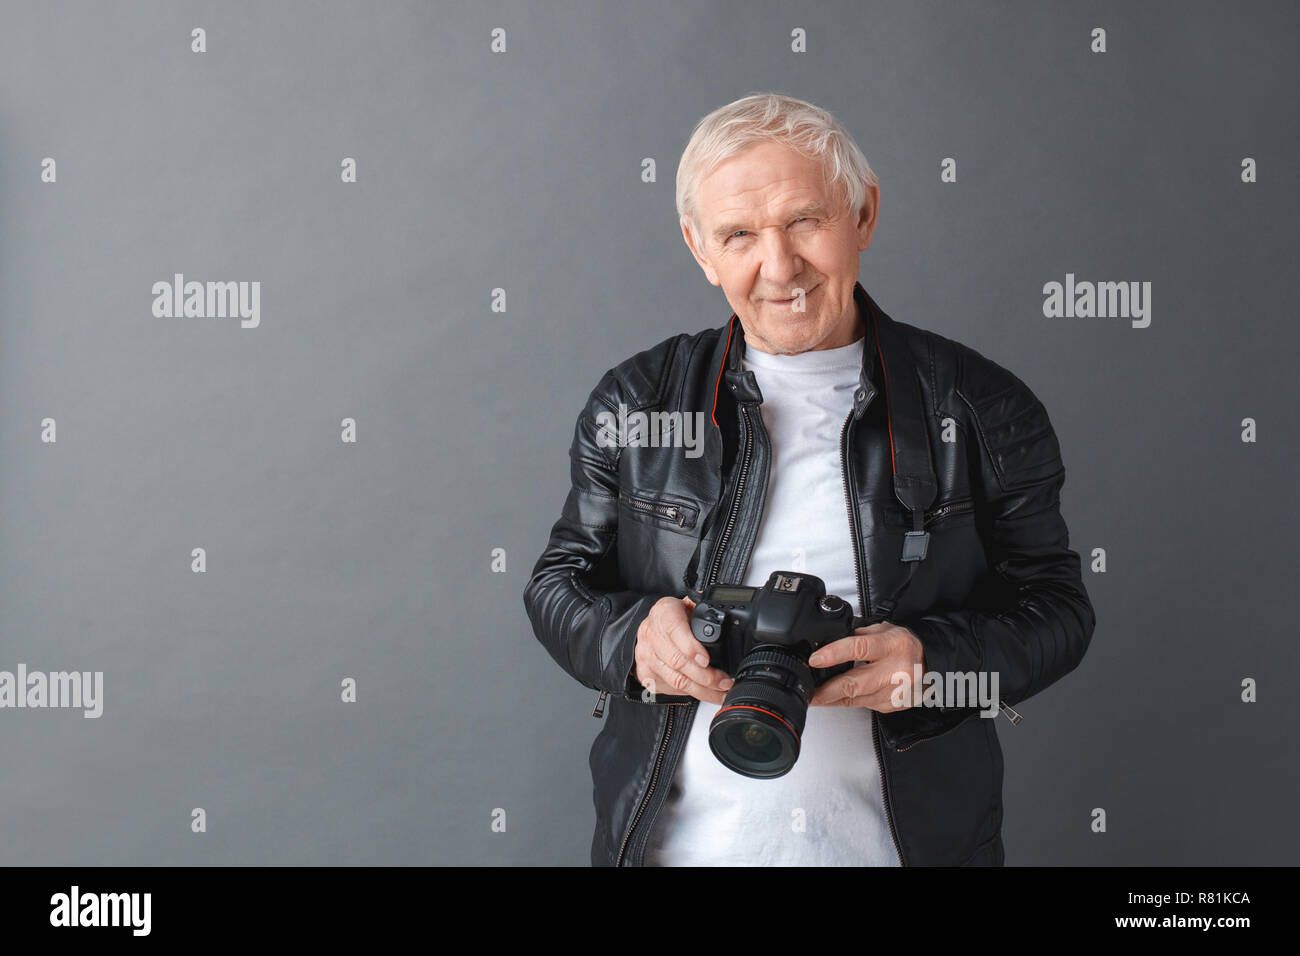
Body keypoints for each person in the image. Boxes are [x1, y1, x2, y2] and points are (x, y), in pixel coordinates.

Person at [523, 92, 1095, 866]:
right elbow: (559, 583)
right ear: (700, 247)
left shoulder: (980, 406)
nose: (779, 266)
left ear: (863, 214)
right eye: (739, 235)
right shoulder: (637, 402)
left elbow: (1057, 610)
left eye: (805, 221)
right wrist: (635, 639)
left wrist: (933, 665)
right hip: (674, 851)